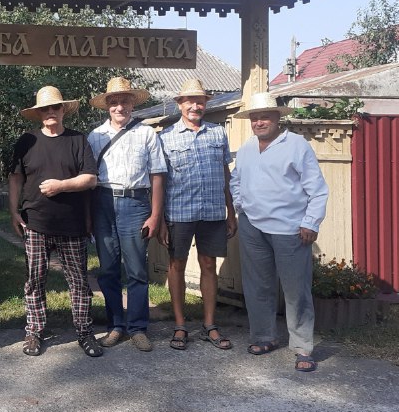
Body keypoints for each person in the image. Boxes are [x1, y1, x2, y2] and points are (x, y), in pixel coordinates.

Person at [230, 92, 328, 372]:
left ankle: (302, 347)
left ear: (277, 118)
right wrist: (241, 207)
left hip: (290, 228)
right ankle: (263, 336)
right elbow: (236, 179)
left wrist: (311, 222)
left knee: (296, 289)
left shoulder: (296, 145)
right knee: (257, 286)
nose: (259, 122)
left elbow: (317, 189)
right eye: (254, 117)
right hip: (253, 226)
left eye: (264, 117)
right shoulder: (248, 147)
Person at [9, 86, 102, 358]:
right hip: (35, 223)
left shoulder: (77, 140)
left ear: (63, 110)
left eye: (55, 107)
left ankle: (84, 332)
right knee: (35, 280)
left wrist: (62, 186)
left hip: (72, 225)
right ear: (38, 114)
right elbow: (15, 177)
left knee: (79, 282)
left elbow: (91, 179)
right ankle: (34, 331)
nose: (50, 112)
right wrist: (14, 211)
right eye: (45, 109)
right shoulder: (26, 141)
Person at [87, 77, 166, 352]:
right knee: (108, 269)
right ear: (107, 106)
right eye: (114, 102)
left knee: (136, 269)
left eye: (124, 101)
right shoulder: (95, 136)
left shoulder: (146, 134)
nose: (119, 107)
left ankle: (138, 327)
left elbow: (157, 176)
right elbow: (88, 178)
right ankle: (115, 325)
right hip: (103, 203)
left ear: (132, 103)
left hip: (135, 204)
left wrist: (155, 215)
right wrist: (88, 216)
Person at [157, 79, 237, 351]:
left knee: (208, 265)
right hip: (178, 213)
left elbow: (226, 176)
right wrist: (161, 221)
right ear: (180, 104)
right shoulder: (165, 137)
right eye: (189, 101)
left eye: (200, 100)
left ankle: (209, 325)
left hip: (213, 211)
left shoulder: (217, 134)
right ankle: (180, 325)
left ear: (206, 103)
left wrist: (231, 212)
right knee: (177, 265)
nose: (195, 105)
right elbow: (160, 181)